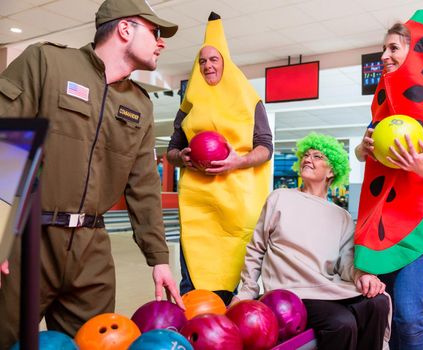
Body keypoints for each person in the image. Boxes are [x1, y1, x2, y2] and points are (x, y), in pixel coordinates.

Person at [0, 0, 183, 347]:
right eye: (155, 32)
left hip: (92, 253)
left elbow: (143, 186)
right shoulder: (47, 63)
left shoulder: (140, 104)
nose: (162, 42)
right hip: (28, 241)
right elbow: (5, 140)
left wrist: (158, 259)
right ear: (125, 29)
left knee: (96, 343)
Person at [353, 10, 423, 350]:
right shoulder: (382, 107)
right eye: (383, 50)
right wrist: (362, 148)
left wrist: (420, 168)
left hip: (414, 225)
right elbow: (362, 155)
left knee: (408, 317)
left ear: (413, 52)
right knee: (376, 312)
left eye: (392, 49)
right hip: (376, 223)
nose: (384, 57)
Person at [235, 133, 390, 350]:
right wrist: (246, 293)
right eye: (306, 155)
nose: (308, 159)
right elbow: (256, 248)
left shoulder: (341, 216)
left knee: (379, 302)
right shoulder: (280, 197)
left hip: (327, 288)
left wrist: (362, 275)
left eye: (317, 156)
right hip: (291, 291)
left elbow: (346, 262)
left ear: (332, 171)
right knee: (342, 324)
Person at [166, 12, 272, 305]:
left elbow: (265, 147)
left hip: (237, 205)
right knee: (195, 285)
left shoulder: (249, 100)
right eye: (202, 61)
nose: (207, 65)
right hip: (198, 206)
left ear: (225, 62)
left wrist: (239, 162)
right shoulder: (188, 106)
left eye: (213, 59)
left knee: (236, 286)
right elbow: (172, 150)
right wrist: (182, 157)